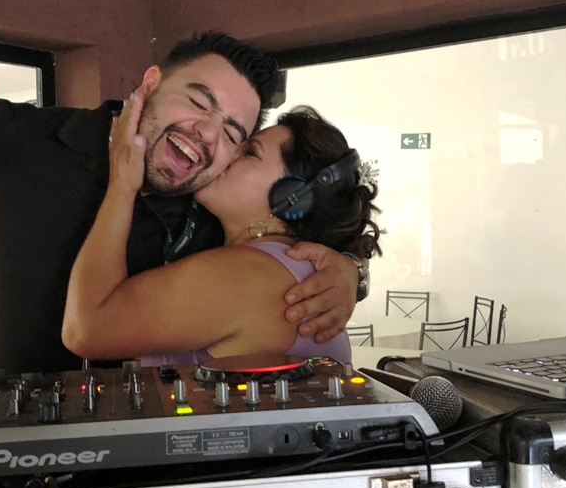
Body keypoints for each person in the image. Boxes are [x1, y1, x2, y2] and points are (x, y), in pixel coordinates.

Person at [0, 32, 364, 376]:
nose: (207, 133)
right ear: (151, 83)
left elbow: (284, 255)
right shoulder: (10, 139)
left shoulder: (211, 208)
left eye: (233, 133)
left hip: (124, 485)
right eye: (199, 102)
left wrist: (347, 272)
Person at [63, 97, 381, 366]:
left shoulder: (251, 275)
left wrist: (122, 183)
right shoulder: (285, 265)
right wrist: (354, 267)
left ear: (292, 198)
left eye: (250, 152)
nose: (225, 153)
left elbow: (87, 329)